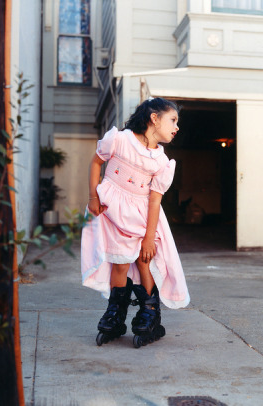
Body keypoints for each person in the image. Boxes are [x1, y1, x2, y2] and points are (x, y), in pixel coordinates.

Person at [81, 97, 190, 347]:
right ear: (154, 118)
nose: (177, 127)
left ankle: (149, 314)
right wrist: (93, 196)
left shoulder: (161, 162)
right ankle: (115, 313)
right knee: (119, 263)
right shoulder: (119, 139)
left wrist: (150, 237)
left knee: (144, 261)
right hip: (112, 209)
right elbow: (97, 161)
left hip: (142, 215)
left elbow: (154, 201)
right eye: (172, 120)